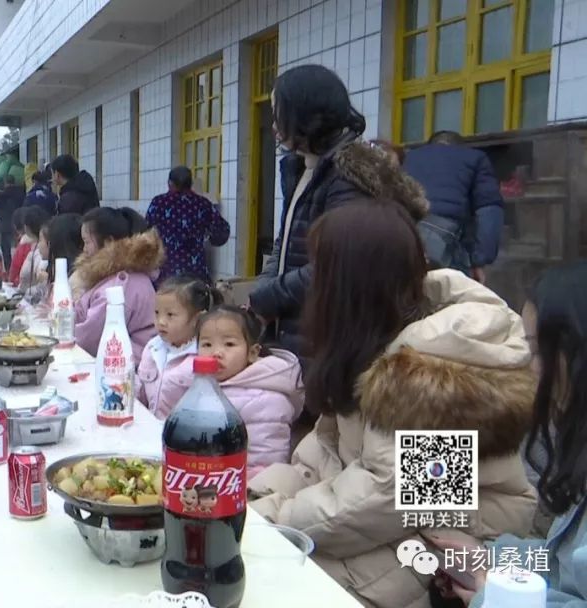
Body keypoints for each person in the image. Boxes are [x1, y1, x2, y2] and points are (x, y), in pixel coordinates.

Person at [248, 203, 536, 608]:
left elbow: (390, 496)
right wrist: (255, 496)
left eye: (321, 270)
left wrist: (274, 519)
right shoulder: (372, 340)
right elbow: (324, 452)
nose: (311, 286)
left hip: (451, 539)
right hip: (390, 521)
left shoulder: (436, 370)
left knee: (274, 584)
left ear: (351, 284)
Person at [430, 261, 587, 606]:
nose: (528, 366)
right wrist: (494, 557)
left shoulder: (422, 389)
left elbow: (398, 505)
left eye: (535, 351)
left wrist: (287, 511)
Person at [248, 64, 428, 358]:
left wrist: (268, 297)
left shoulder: (346, 178)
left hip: (328, 332)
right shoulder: (303, 165)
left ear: (304, 114)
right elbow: (284, 242)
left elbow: (334, 264)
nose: (274, 126)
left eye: (278, 113)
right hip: (296, 324)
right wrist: (263, 293)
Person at [196, 306, 303, 478]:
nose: (216, 353)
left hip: (247, 489)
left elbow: (266, 462)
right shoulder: (202, 386)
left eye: (229, 344)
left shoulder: (267, 399)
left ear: (252, 353)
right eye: (207, 344)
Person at [403, 130, 504, 281]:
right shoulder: (476, 158)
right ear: (460, 147)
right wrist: (479, 261)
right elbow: (489, 212)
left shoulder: (410, 158)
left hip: (404, 235)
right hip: (444, 240)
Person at [71, 207, 161, 360]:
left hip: (129, 367)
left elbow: (89, 340)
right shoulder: (112, 276)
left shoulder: (120, 285)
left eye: (86, 242)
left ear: (108, 242)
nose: (84, 249)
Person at [136, 277, 221, 419]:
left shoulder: (204, 357)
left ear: (197, 319)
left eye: (170, 315)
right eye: (157, 313)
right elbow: (142, 393)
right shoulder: (152, 348)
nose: (161, 322)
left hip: (182, 437)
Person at [145, 166, 231, 283]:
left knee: (167, 300)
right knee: (194, 299)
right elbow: (222, 230)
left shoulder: (159, 203)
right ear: (191, 184)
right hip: (195, 271)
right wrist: (210, 239)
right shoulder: (203, 204)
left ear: (170, 183)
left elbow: (146, 231)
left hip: (166, 271)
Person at [0, 173, 25, 268]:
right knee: (19, 248)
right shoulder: (21, 194)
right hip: (19, 224)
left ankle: (9, 270)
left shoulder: (2, 195)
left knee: (6, 249)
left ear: (5, 183)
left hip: (5, 225)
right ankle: (20, 268)